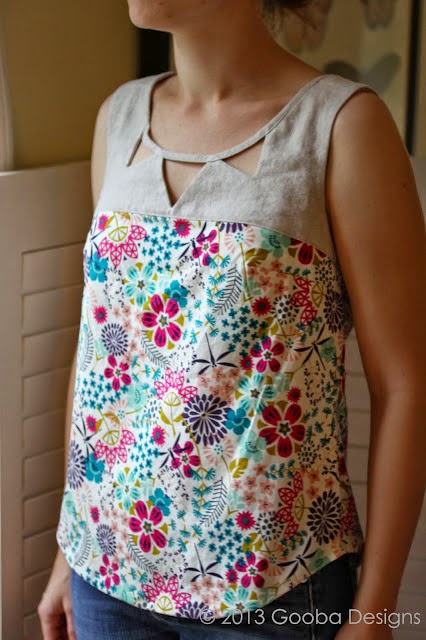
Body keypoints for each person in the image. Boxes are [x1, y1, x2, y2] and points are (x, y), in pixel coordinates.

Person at [38, 0, 426, 639]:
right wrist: (68, 548)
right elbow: (103, 361)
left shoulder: (340, 125)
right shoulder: (119, 118)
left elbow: (405, 384)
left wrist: (376, 612)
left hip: (271, 587)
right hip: (105, 570)